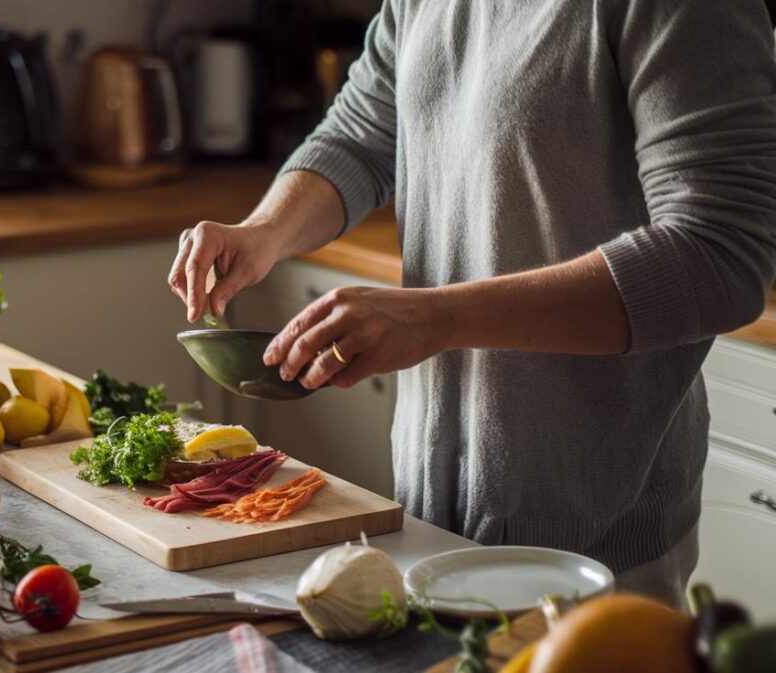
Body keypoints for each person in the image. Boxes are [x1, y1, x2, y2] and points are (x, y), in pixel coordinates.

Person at [169, 0, 776, 607]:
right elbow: (360, 137)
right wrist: (263, 231)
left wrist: (437, 316)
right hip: (430, 516)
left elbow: (718, 253)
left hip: (597, 544)